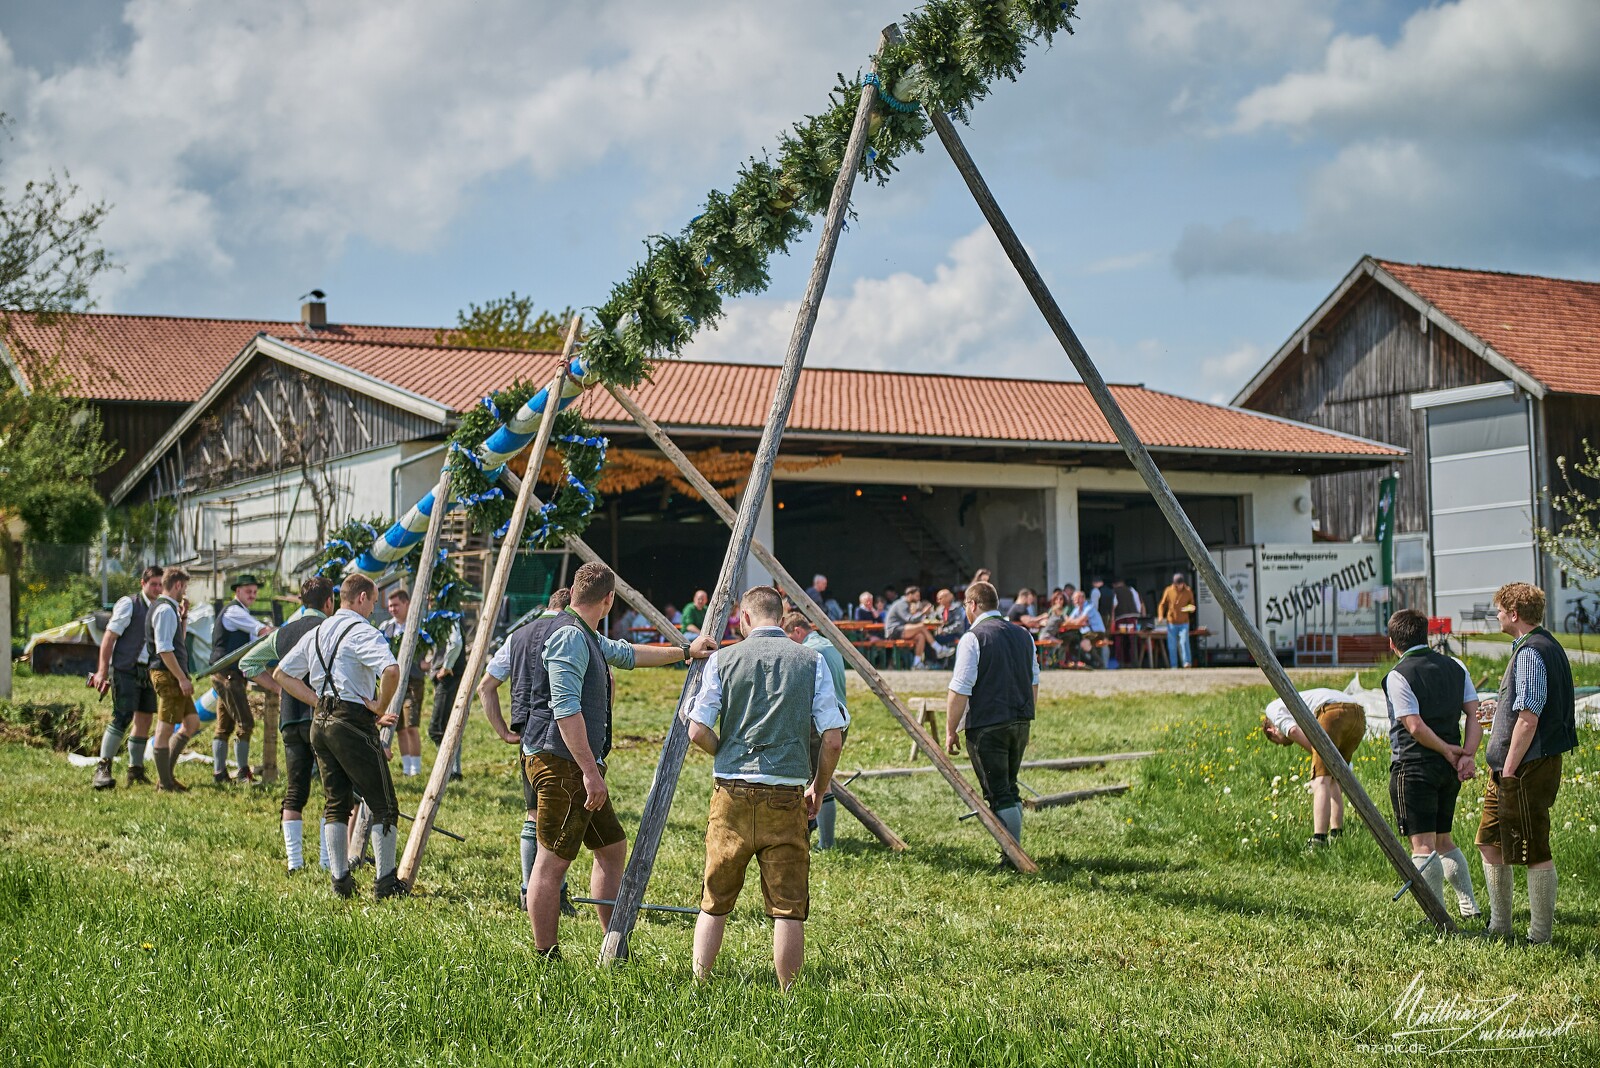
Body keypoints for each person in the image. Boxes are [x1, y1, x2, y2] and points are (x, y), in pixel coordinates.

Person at [516, 563, 711, 959]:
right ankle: (545, 957)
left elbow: (626, 653)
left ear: (573, 593)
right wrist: (590, 772)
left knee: (611, 848)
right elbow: (566, 710)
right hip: (564, 765)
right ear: (608, 601)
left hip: (571, 765)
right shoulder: (571, 636)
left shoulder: (582, 632)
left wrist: (684, 652)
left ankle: (612, 944)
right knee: (552, 862)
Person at [687, 586, 844, 989]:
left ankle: (700, 984)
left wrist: (725, 751)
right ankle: (790, 998)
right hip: (786, 795)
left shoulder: (723, 658)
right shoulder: (812, 660)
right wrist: (819, 788)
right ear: (782, 614)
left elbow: (696, 730)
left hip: (731, 794)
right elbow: (832, 738)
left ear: (744, 619)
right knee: (788, 907)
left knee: (715, 899)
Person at [275, 573, 403, 899]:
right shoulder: (362, 632)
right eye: (373, 601)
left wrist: (317, 701)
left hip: (319, 722)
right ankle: (386, 883)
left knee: (336, 804)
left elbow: (282, 674)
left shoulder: (318, 631)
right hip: (351, 722)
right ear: (360, 598)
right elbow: (391, 670)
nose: (374, 609)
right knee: (384, 805)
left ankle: (340, 882)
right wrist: (379, 706)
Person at [1476, 582, 1578, 943]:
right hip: (1514, 765)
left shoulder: (1533, 652)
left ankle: (1539, 937)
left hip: (1526, 767)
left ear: (1514, 614)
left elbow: (1530, 716)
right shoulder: (1540, 645)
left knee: (1534, 847)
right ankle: (1499, 927)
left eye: (1501, 610)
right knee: (1490, 841)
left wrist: (1508, 768)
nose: (1498, 615)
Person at [479, 588, 577, 914]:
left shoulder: (517, 636)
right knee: (557, 815)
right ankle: (552, 894)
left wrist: (503, 730)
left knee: (534, 813)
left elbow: (486, 686)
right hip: (564, 735)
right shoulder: (573, 631)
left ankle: (527, 889)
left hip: (527, 738)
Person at [1380, 609, 1482, 919]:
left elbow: (1415, 727)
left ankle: (1436, 914)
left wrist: (1450, 752)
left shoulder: (1398, 675)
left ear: (1391, 643)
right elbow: (1475, 715)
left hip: (1414, 766)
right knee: (1444, 840)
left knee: (1423, 846)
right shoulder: (1457, 666)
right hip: (1447, 771)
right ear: (1426, 635)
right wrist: (1467, 753)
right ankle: (1469, 906)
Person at [242, 576, 336, 874]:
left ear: (300, 601)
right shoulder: (329, 630)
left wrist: (280, 689)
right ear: (329, 602)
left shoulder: (282, 633)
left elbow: (248, 664)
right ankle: (326, 860)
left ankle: (294, 862)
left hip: (290, 719)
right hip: (321, 718)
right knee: (332, 791)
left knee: (295, 789)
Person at [944, 580, 1036, 866]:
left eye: (966, 606)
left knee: (999, 792)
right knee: (1009, 787)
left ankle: (1013, 856)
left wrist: (950, 730)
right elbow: (1033, 682)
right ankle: (1014, 851)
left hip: (988, 723)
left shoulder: (973, 638)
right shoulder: (1024, 635)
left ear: (972, 605)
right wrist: (1026, 714)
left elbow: (960, 689)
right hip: (1020, 719)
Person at [1262, 689, 1370, 849]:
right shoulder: (1295, 703)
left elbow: (1292, 731)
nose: (1284, 744)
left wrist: (1319, 753)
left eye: (1278, 742)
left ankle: (1319, 839)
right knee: (1335, 780)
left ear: (1271, 731)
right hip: (1358, 715)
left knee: (1320, 781)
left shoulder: (1272, 709)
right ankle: (1337, 834)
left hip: (1332, 712)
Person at [89, 565, 164, 789]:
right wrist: (102, 671)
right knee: (122, 717)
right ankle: (103, 767)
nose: (157, 589)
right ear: (143, 583)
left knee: (145, 718)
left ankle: (135, 769)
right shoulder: (129, 604)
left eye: (161, 585)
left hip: (147, 671)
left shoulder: (161, 608)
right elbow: (109, 638)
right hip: (125, 669)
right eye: (153, 584)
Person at [781, 611, 851, 850]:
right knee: (820, 778)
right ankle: (814, 832)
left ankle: (826, 844)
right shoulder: (830, 645)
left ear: (798, 632)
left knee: (820, 782)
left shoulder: (810, 653)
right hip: (840, 718)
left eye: (790, 638)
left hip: (818, 723)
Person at [212, 573, 274, 785]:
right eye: (248, 591)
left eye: (255, 592)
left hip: (227, 674)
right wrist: (282, 635)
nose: (253, 595)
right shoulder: (234, 611)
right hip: (228, 675)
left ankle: (219, 773)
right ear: (237, 591)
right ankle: (242, 772)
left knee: (224, 725)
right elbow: (262, 631)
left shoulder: (239, 612)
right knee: (245, 722)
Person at [146, 567, 197, 793]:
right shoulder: (165, 611)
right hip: (169, 675)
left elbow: (178, 641)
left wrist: (184, 616)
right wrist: (181, 678)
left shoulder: (171, 610)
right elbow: (165, 650)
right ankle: (165, 783)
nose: (185, 591)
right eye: (184, 587)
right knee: (165, 729)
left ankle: (166, 776)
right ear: (177, 585)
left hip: (175, 674)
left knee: (192, 723)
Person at [380, 587, 427, 776]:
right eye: (390, 606)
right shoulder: (386, 628)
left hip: (414, 680)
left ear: (407, 604)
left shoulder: (417, 626)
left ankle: (416, 768)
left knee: (411, 725)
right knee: (397, 725)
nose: (392, 609)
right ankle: (407, 767)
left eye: (396, 605)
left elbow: (430, 648)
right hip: (393, 682)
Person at [427, 613, 466, 782]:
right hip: (447, 677)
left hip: (449, 677)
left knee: (438, 728)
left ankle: (448, 770)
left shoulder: (449, 616)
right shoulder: (442, 617)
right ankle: (453, 771)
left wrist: (446, 666)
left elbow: (455, 642)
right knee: (449, 726)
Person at [884, 586, 938, 668]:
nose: (919, 598)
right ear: (910, 595)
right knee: (921, 626)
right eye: (917, 596)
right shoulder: (902, 604)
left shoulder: (908, 604)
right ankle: (938, 648)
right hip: (894, 631)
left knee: (921, 636)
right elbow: (909, 619)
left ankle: (916, 663)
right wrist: (923, 613)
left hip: (901, 629)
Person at [1157, 572, 1197, 669]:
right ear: (1174, 584)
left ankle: (1187, 663)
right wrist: (1160, 616)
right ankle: (1174, 665)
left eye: (1181, 584)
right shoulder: (1168, 590)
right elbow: (1162, 604)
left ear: (1183, 583)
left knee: (1184, 642)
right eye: (1177, 584)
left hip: (1184, 622)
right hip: (1171, 622)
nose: (1179, 586)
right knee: (1172, 645)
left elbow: (1192, 605)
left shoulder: (1188, 591)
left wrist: (1189, 608)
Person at [1063, 589, 1106, 667]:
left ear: (1082, 598)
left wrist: (1074, 621)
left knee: (1084, 643)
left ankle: (1099, 663)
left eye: (1076, 599)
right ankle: (1089, 663)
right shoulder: (1077, 609)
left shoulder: (1089, 607)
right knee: (1072, 645)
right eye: (1073, 599)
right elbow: (1068, 621)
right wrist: (1073, 621)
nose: (1074, 601)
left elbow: (1079, 621)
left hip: (1097, 632)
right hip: (1086, 633)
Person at [931, 587, 967, 661]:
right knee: (930, 639)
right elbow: (934, 620)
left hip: (956, 634)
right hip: (943, 634)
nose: (938, 601)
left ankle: (940, 656)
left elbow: (959, 625)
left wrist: (945, 631)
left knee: (933, 640)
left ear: (948, 597)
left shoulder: (957, 608)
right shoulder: (940, 609)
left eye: (940, 598)